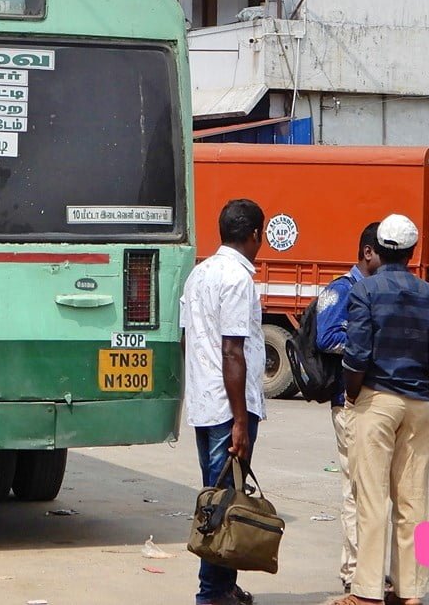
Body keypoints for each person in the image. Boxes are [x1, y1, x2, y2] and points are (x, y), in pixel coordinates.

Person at [336, 214, 429, 605]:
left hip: (376, 400)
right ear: (413, 251)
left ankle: (366, 592)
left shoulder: (365, 291)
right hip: (418, 403)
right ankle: (411, 591)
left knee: (371, 499)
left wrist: (353, 397)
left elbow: (356, 355)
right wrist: (426, 403)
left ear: (379, 250)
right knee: (414, 501)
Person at [179, 199, 267, 605]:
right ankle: (211, 592)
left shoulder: (198, 274)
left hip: (205, 402)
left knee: (220, 493)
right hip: (227, 408)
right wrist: (239, 421)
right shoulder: (237, 278)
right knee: (224, 502)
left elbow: (188, 339)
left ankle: (224, 585)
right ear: (254, 235)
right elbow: (232, 350)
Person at [313, 221, 383, 596]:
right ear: (367, 253)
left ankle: (364, 567)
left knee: (371, 491)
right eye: (382, 256)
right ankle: (354, 570)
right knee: (355, 491)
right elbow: (326, 337)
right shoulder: (342, 290)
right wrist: (367, 346)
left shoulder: (373, 291)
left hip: (372, 404)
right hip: (347, 403)